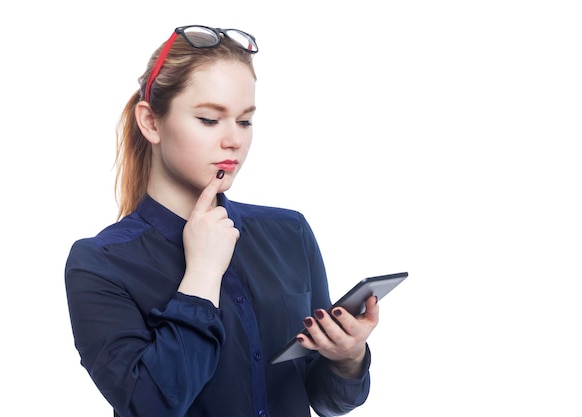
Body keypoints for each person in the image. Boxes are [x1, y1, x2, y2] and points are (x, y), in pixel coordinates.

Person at [65, 25, 379, 417]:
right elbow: (151, 406)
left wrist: (346, 359)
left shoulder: (290, 233)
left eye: (244, 121)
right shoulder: (100, 263)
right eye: (210, 120)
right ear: (151, 122)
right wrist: (202, 275)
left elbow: (326, 399)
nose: (234, 140)